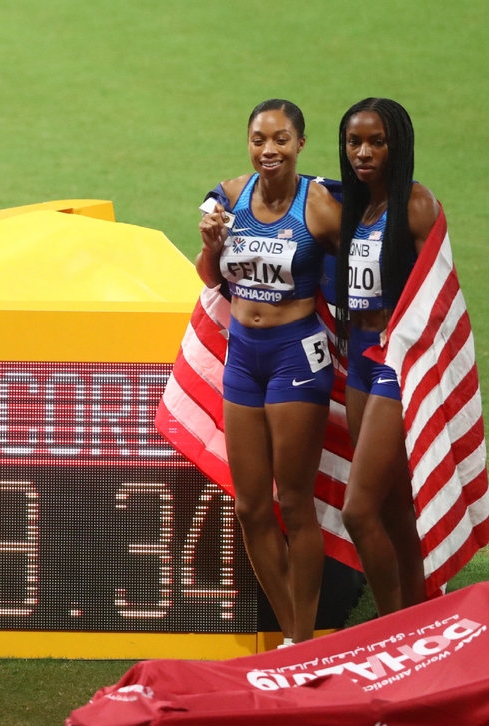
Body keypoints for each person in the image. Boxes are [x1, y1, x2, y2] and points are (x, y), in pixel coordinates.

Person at [196, 99, 341, 644]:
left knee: (294, 503)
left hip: (295, 357)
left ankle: (303, 639)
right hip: (243, 357)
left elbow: (362, 266)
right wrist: (211, 246)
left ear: (300, 143)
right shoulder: (230, 198)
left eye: (281, 139)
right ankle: (291, 634)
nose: (269, 149)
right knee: (250, 506)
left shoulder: (319, 206)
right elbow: (210, 277)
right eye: (259, 139)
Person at [334, 98, 432, 616]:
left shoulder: (415, 205)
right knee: (393, 507)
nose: (364, 153)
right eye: (355, 142)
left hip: (395, 365)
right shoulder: (358, 207)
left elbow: (440, 291)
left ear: (399, 145)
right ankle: (416, 614)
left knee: (358, 510)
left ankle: (393, 623)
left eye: (377, 142)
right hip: (359, 362)